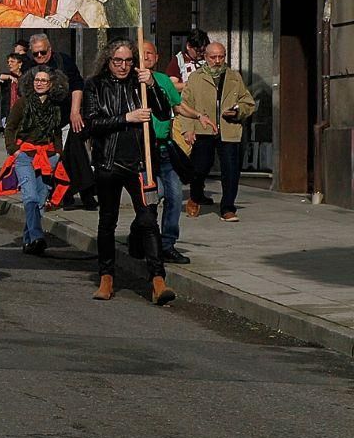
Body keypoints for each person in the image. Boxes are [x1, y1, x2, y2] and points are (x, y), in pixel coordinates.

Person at [82, 40, 175, 303]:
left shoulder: (141, 82)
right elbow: (91, 124)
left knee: (148, 220)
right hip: (108, 164)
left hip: (141, 163)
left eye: (128, 61)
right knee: (107, 221)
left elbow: (163, 112)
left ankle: (158, 280)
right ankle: (106, 278)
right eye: (117, 61)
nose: (123, 66)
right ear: (108, 61)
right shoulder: (95, 85)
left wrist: (153, 85)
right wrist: (126, 118)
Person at [143, 40, 208, 263]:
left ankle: (167, 244)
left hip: (164, 148)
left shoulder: (162, 80)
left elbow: (177, 105)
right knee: (152, 197)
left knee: (175, 195)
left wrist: (199, 116)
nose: (146, 57)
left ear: (157, 57)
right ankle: (143, 239)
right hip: (142, 151)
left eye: (150, 53)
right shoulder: (130, 82)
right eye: (141, 53)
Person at [176, 42, 255, 222]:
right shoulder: (196, 78)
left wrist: (237, 112)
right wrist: (187, 129)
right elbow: (185, 105)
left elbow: (248, 102)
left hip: (229, 129)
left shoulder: (234, 77)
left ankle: (228, 207)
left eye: (221, 56)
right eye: (213, 57)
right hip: (204, 128)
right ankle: (195, 196)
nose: (218, 61)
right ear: (205, 57)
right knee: (200, 167)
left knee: (231, 170)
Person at [0, 66, 68, 254]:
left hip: (48, 156)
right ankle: (37, 236)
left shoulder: (55, 107)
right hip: (25, 156)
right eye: (37, 80)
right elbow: (10, 128)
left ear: (52, 84)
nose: (40, 83)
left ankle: (29, 242)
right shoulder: (22, 103)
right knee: (29, 196)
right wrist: (14, 151)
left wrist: (58, 153)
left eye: (44, 80)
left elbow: (57, 132)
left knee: (41, 199)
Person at [24, 33, 94, 211]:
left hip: (67, 116)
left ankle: (84, 193)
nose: (40, 57)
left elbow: (77, 85)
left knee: (75, 155)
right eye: (36, 54)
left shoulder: (63, 61)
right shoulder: (29, 65)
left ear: (50, 49)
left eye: (43, 52)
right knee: (52, 159)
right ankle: (62, 194)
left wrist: (75, 111)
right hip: (44, 121)